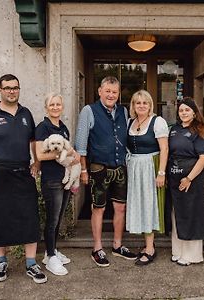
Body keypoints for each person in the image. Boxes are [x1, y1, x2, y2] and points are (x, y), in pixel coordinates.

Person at [0, 74, 47, 284]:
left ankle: (31, 264)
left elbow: (33, 141)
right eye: (8, 88)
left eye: (15, 88)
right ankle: (1, 262)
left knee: (29, 217)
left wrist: (37, 162)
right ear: (0, 90)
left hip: (23, 172)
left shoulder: (26, 113)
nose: (12, 91)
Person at [75, 76, 136, 267]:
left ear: (118, 94)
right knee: (98, 208)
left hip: (120, 168)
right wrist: (83, 169)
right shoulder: (89, 110)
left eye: (114, 92)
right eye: (107, 91)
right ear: (100, 91)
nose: (111, 95)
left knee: (120, 207)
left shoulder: (124, 111)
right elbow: (81, 144)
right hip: (98, 168)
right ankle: (97, 248)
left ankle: (118, 245)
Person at [35, 93, 80, 276]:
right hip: (52, 179)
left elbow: (69, 149)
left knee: (59, 218)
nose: (55, 107)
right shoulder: (42, 127)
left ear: (62, 107)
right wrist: (60, 155)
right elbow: (39, 155)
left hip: (65, 177)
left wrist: (74, 156)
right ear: (46, 107)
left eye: (58, 104)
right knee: (52, 219)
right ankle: (51, 257)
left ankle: (50, 252)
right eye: (51, 104)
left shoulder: (62, 128)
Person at [126, 90, 168, 266]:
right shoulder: (130, 121)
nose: (141, 105)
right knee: (139, 204)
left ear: (150, 105)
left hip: (150, 166)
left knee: (149, 205)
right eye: (138, 103)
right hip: (135, 168)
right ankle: (146, 244)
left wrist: (161, 173)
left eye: (145, 103)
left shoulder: (157, 122)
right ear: (133, 106)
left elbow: (164, 149)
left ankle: (150, 248)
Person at [167, 97, 204, 266]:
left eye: (187, 110)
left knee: (191, 213)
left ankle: (192, 255)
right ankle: (178, 251)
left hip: (192, 178)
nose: (183, 113)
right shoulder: (174, 129)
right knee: (177, 213)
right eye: (181, 110)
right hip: (174, 177)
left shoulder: (199, 130)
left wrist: (189, 178)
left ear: (194, 112)